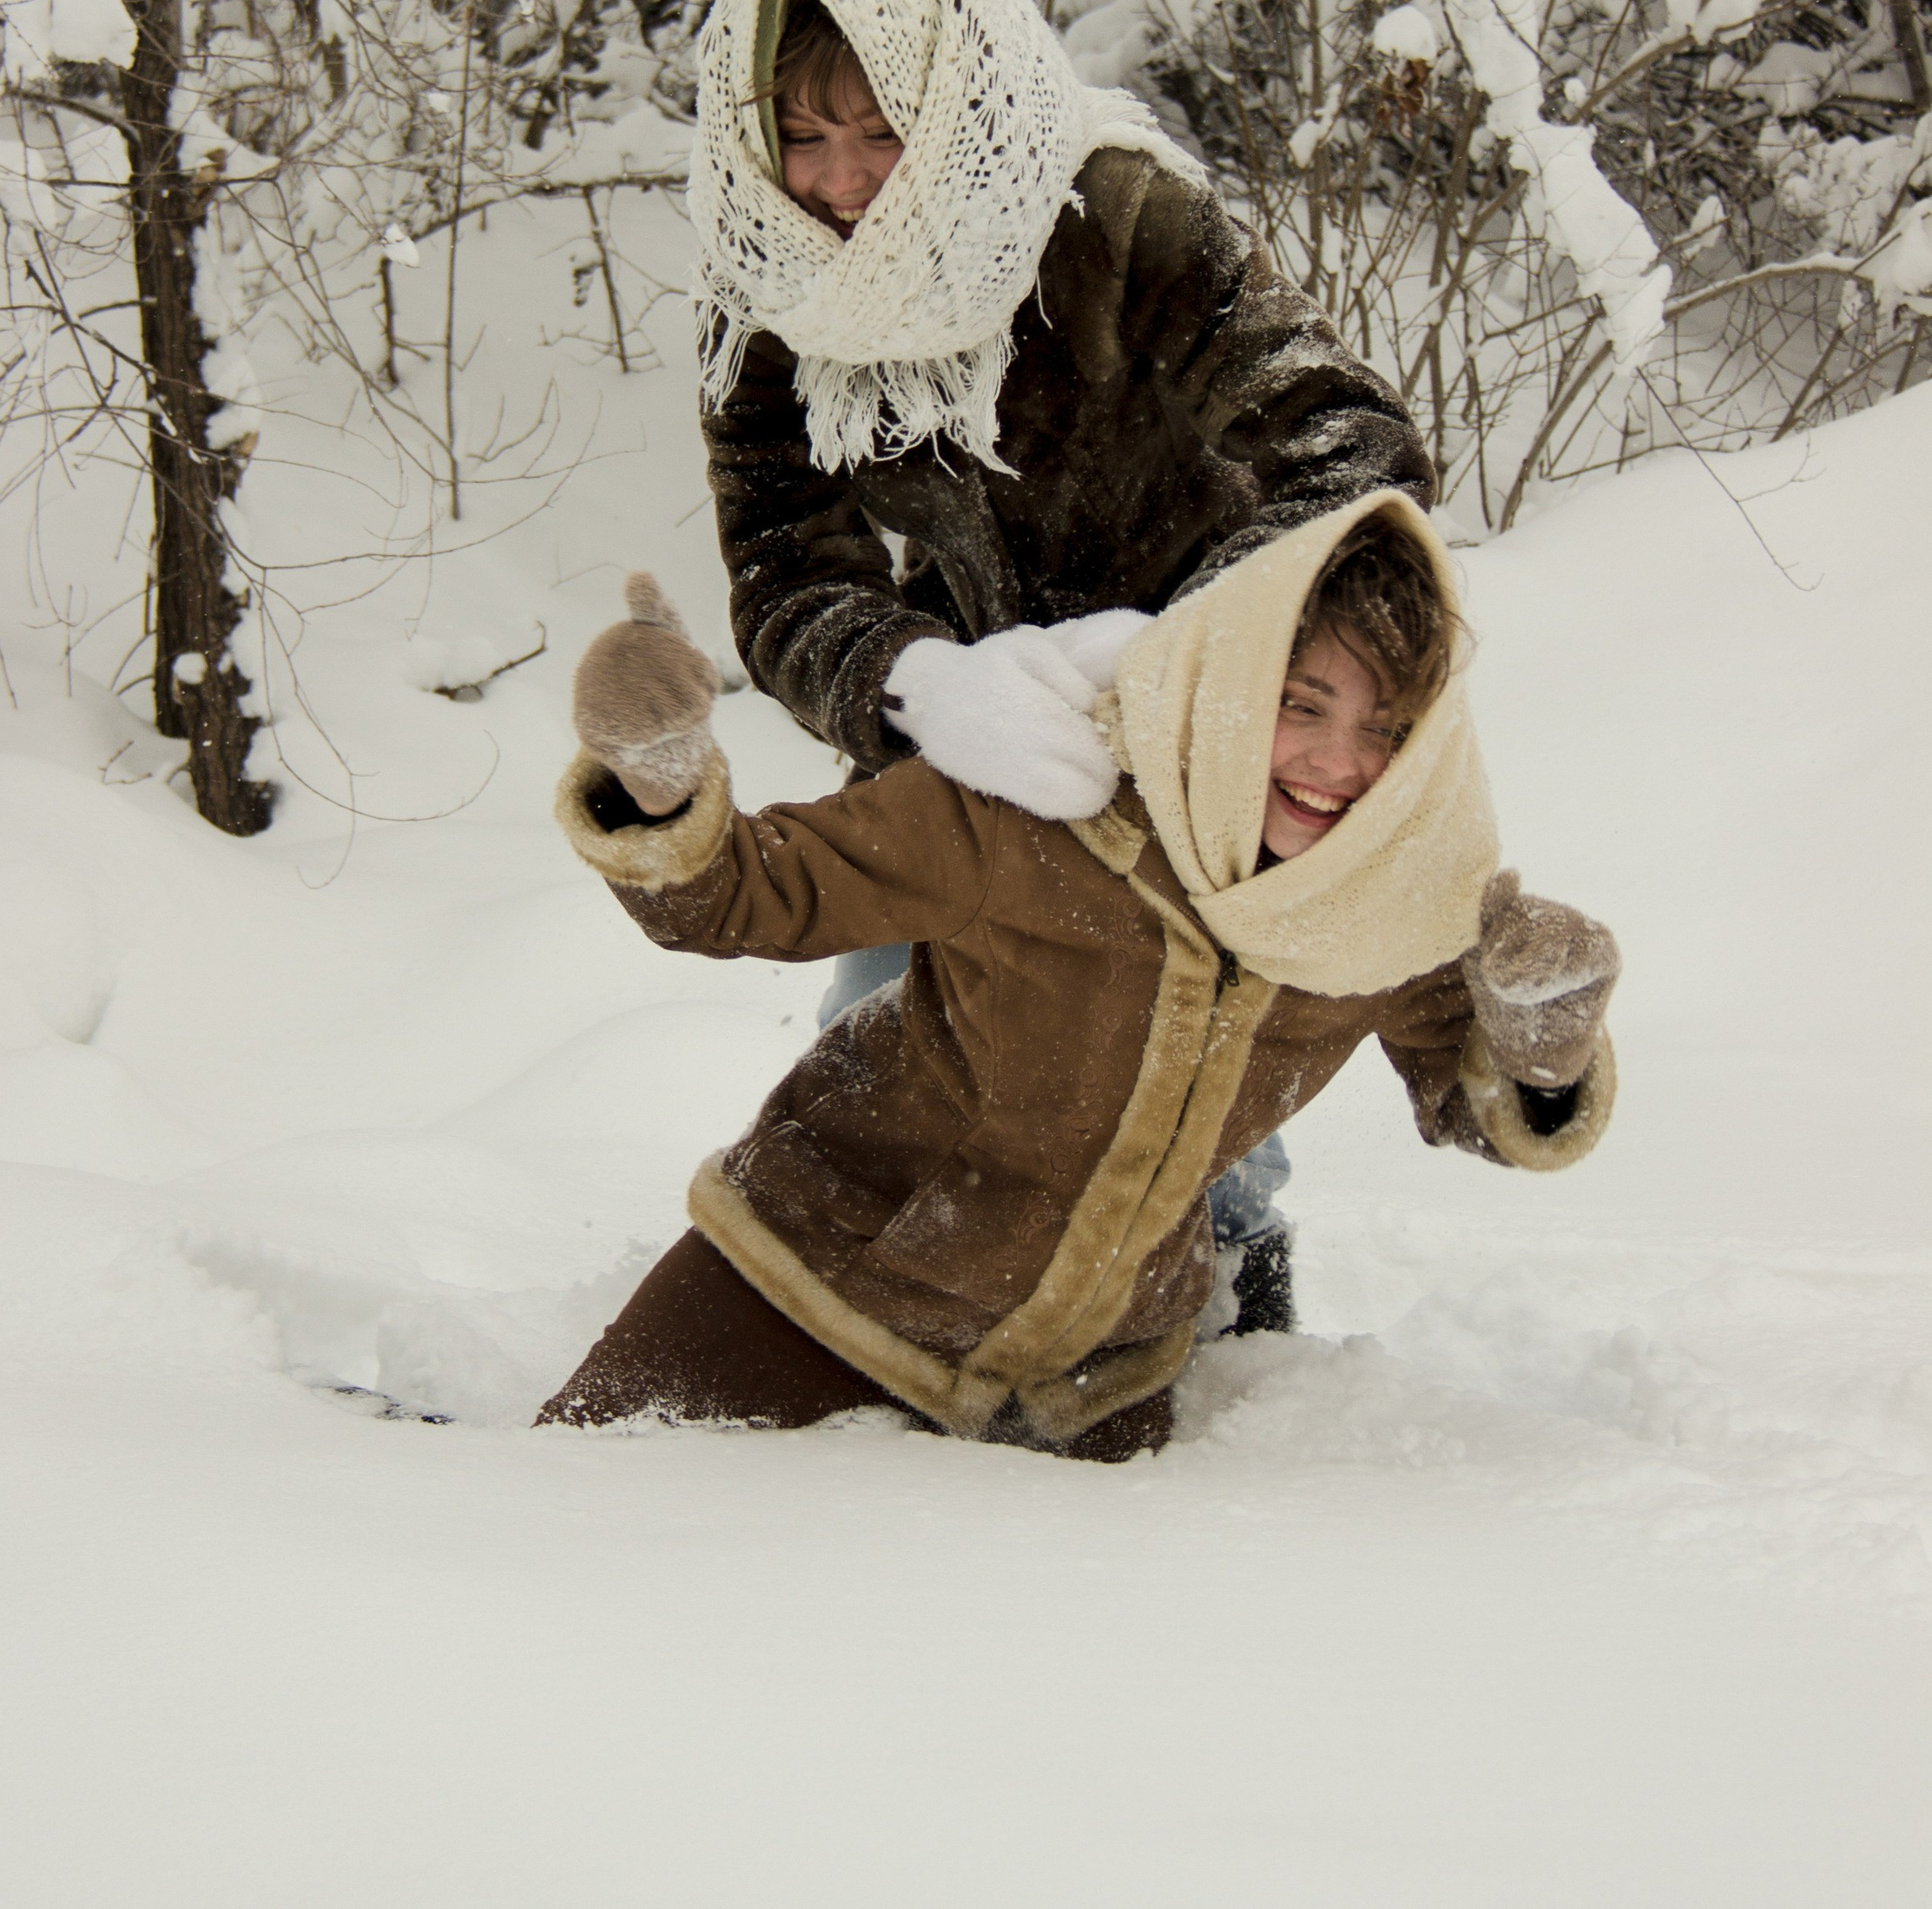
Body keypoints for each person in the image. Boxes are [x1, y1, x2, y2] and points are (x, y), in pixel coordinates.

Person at [684, 0, 1438, 1328]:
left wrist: (1180, 666)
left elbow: (1357, 449)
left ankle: (1225, 1314)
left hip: (1212, 719)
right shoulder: (766, 282)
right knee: (885, 1036)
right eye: (801, 134)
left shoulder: (1107, 210)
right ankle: (873, 1342)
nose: (837, 180)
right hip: (977, 720)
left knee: (1171, 1071)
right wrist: (913, 685)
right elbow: (786, 564)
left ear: (955, 98)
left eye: (880, 130)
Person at [536, 491, 1619, 1463]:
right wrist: (657, 781)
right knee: (575, 1530)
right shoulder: (1044, 803)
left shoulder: (1386, 898)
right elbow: (749, 894)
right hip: (812, 1292)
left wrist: (1543, 1043)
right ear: (1235, 677)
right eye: (1301, 703)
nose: (1339, 765)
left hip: (1092, 1389)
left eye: (1386, 728)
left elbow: (1479, 1105)